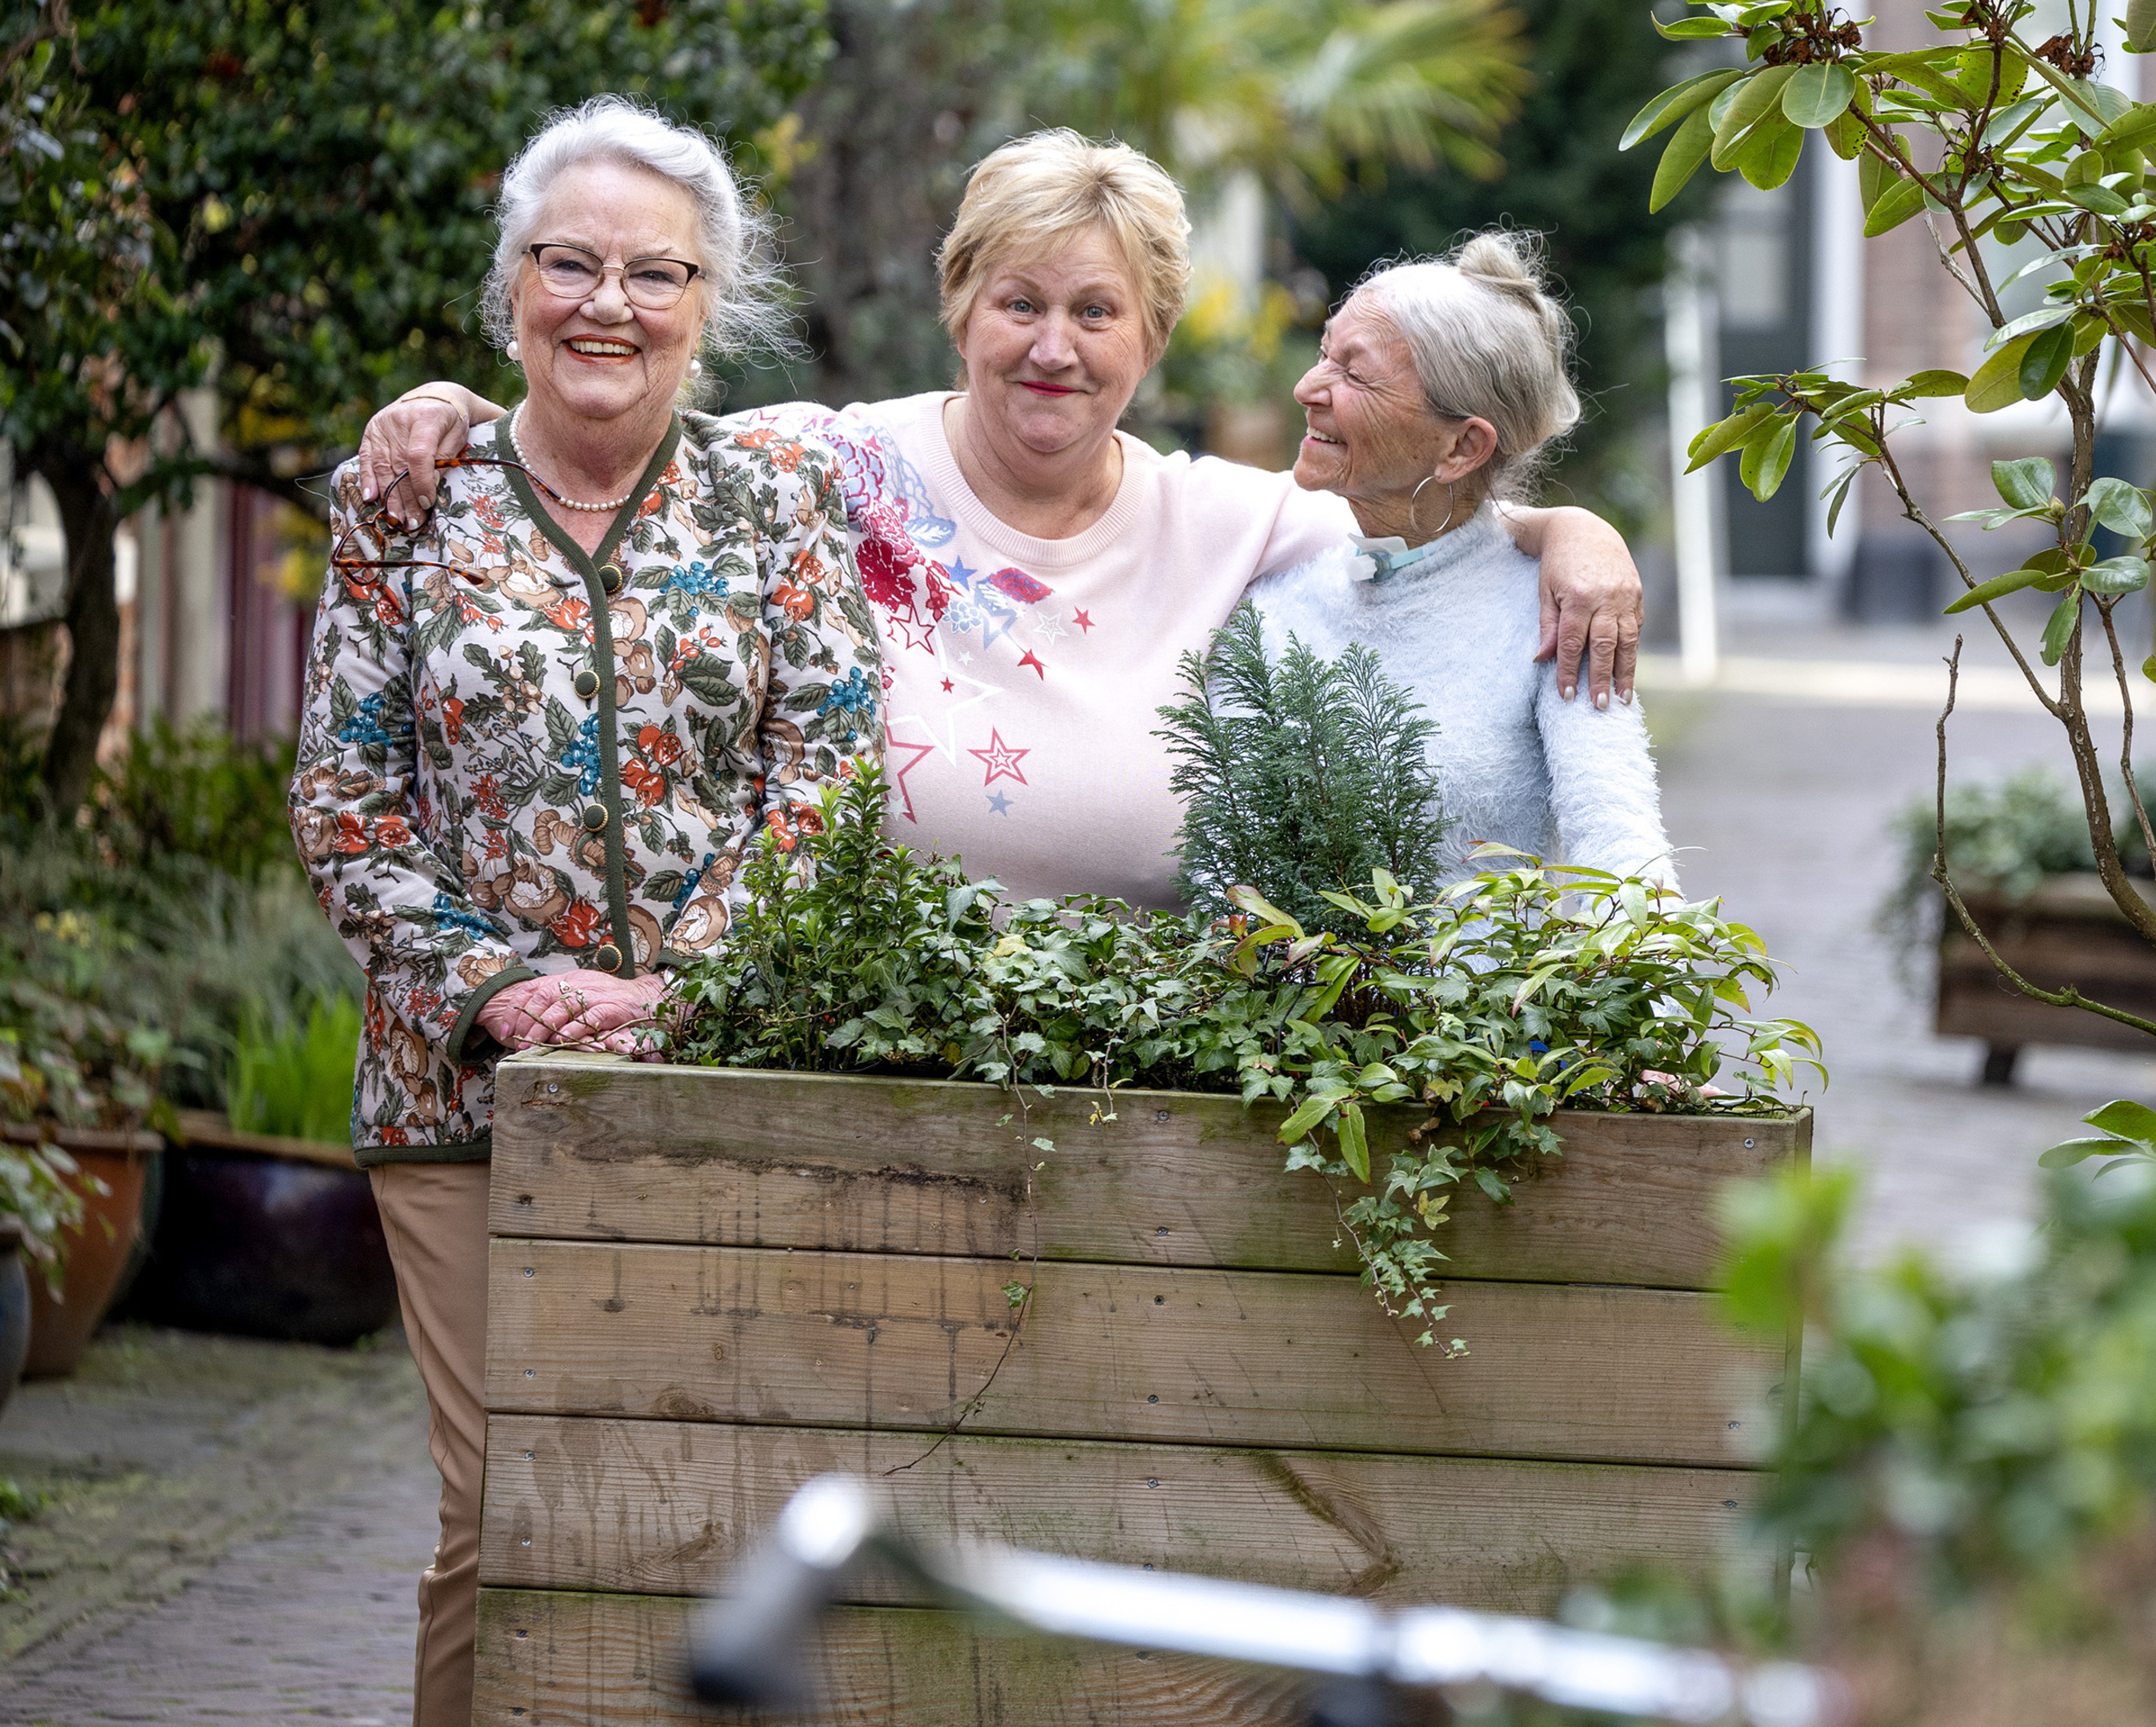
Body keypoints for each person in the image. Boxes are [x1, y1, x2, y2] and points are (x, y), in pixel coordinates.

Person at [357, 130, 1648, 906]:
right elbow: (621, 439)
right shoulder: (832, 463)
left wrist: (1576, 533)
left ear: (1151, 336)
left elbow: (1435, 527)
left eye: (1096, 312)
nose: (1053, 347)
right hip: (852, 1044)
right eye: (1017, 301)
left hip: (1136, 1071)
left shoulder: (1240, 523)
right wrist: (461, 405)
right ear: (959, 305)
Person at [290, 96, 882, 1727]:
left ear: (709, 299)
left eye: (654, 271)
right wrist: (502, 982)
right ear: (512, 289)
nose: (607, 303)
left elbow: (829, 792)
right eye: (569, 263)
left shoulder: (779, 500)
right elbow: (341, 804)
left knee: (697, 1506)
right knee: (504, 1518)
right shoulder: (412, 495)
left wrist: (678, 988)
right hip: (464, 1090)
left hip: (721, 1077)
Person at [1245, 233, 1674, 890]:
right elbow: (1221, 866)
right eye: (1324, 353)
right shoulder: (1271, 591)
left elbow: (1622, 853)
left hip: (1481, 995)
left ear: (1460, 449)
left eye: (1354, 373)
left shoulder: (1560, 612)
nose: (1308, 387)